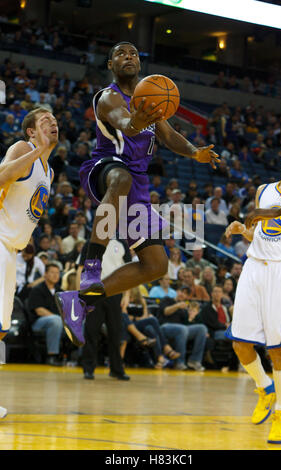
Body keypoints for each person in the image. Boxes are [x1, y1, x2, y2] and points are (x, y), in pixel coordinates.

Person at [55, 41, 219, 347]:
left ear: (140, 64)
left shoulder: (151, 100)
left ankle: (79, 301)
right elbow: (127, 126)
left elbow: (169, 137)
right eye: (120, 53)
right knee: (122, 179)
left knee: (156, 265)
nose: (127, 57)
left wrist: (195, 152)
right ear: (110, 65)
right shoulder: (108, 97)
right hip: (106, 167)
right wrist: (140, 119)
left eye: (132, 53)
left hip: (137, 184)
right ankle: (91, 267)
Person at [224, 141, 281, 444]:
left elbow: (278, 214)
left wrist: (265, 211)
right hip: (254, 265)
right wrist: (242, 230)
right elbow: (259, 231)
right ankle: (265, 388)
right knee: (239, 343)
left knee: (277, 348)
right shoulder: (264, 189)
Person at [0, 107, 58, 417]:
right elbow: (1, 177)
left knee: (2, 329)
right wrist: (36, 151)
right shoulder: (24, 149)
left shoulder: (49, 172)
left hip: (11, 250)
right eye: (45, 121)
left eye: (55, 121)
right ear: (31, 132)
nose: (53, 123)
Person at [76, 238, 132, 381]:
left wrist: (127, 295)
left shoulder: (122, 244)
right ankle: (88, 369)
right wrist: (79, 294)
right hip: (93, 291)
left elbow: (130, 271)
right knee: (91, 332)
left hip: (115, 291)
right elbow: (80, 268)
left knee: (116, 333)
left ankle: (116, 370)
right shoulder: (91, 243)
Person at [122, 287, 180, 369]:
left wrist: (135, 318)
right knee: (153, 320)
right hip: (129, 325)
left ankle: (159, 359)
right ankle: (165, 349)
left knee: (150, 328)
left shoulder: (141, 300)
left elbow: (145, 315)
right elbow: (124, 315)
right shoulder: (124, 299)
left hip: (140, 324)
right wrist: (127, 295)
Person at [158, 286, 208, 371]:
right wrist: (177, 306)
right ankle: (179, 362)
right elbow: (166, 311)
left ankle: (194, 360)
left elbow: (186, 323)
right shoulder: (167, 299)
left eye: (185, 294)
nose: (183, 294)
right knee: (182, 329)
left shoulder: (185, 307)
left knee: (202, 328)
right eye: (182, 292)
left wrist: (191, 317)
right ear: (177, 291)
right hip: (165, 327)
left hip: (181, 330)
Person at [27, 263, 64, 366]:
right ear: (45, 274)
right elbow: (39, 311)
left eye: (57, 273)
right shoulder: (37, 289)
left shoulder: (60, 291)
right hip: (38, 322)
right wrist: (60, 319)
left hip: (58, 321)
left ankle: (80, 357)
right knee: (56, 321)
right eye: (52, 272)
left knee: (82, 322)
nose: (55, 275)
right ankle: (52, 356)